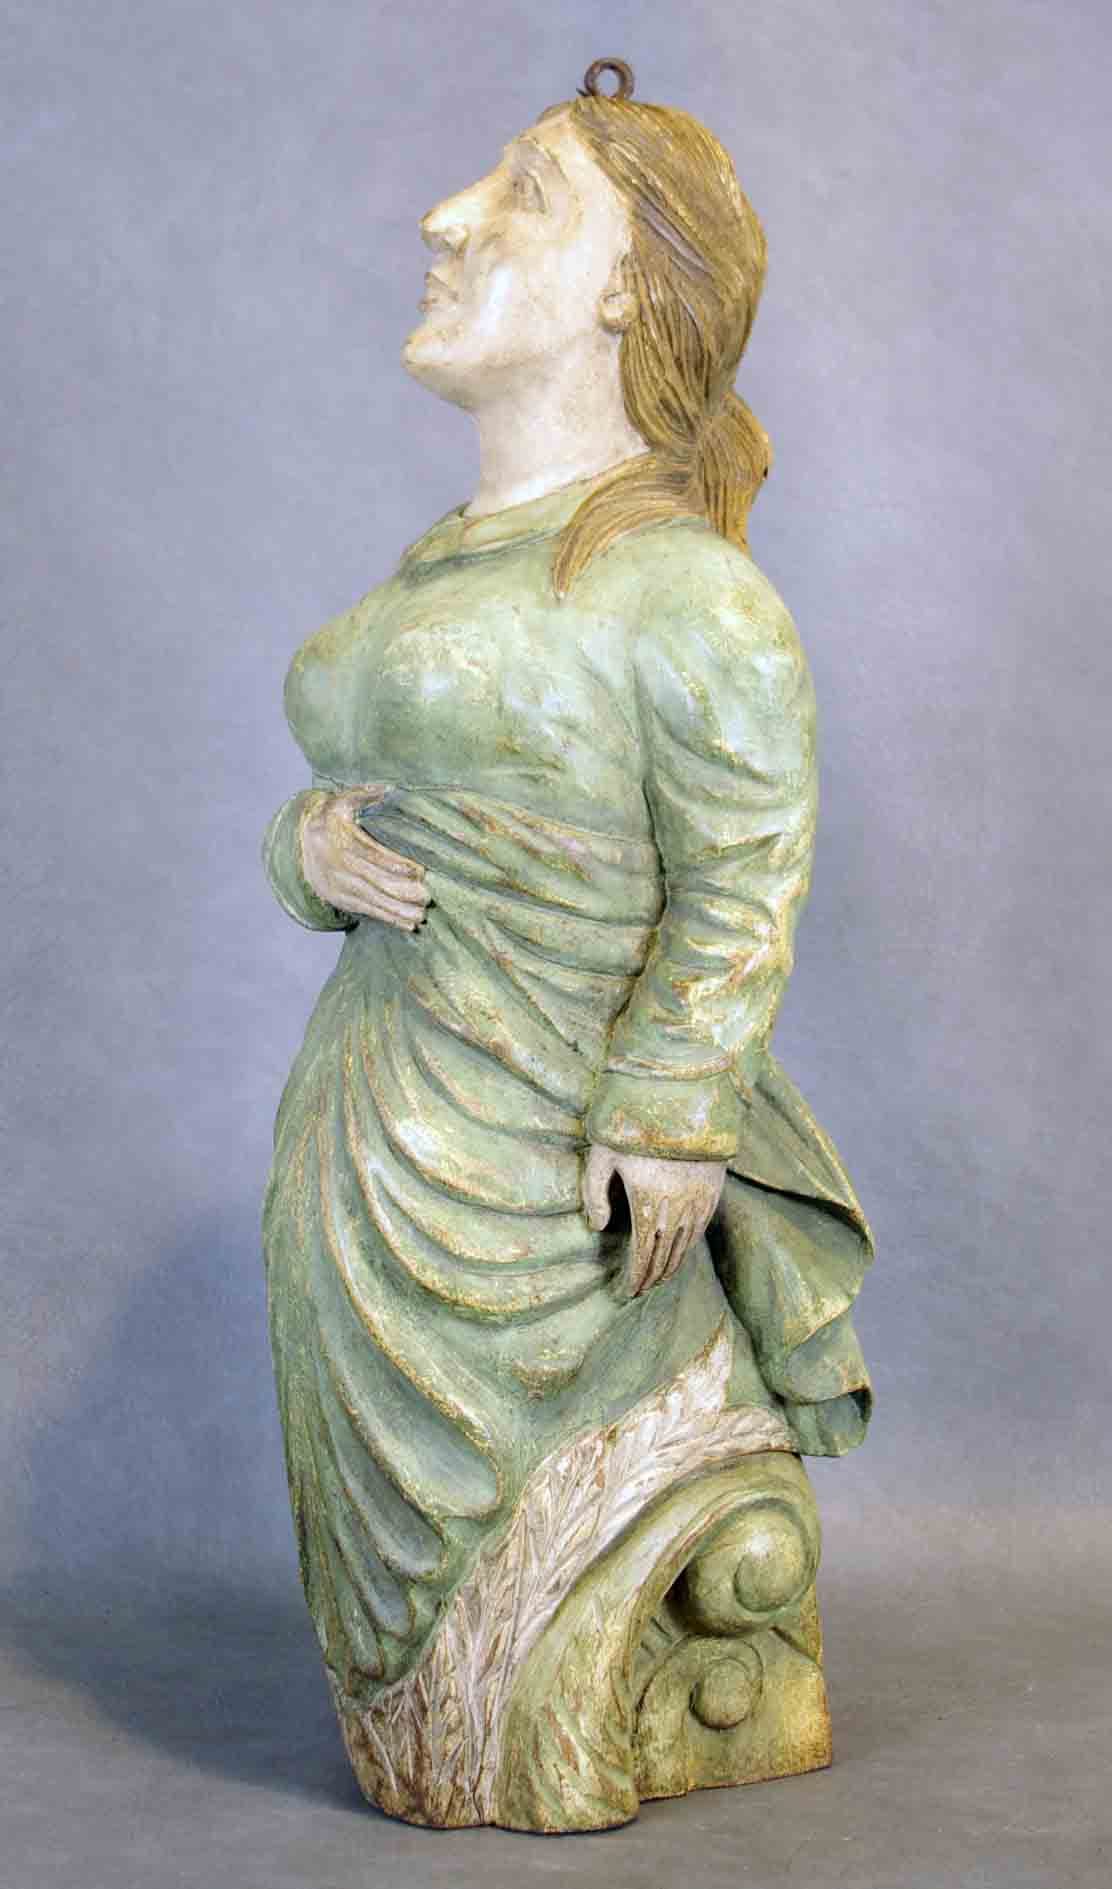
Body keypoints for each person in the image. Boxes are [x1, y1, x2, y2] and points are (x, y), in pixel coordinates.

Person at [262, 67, 872, 1729]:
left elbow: (745, 870)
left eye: (523, 191)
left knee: (550, 1561)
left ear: (626, 286)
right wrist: (307, 851)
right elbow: (364, 793)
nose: (445, 217)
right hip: (371, 1146)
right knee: (407, 1626)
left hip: (548, 1184)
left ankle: (574, 1712)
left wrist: (674, 1108)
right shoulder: (440, 557)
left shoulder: (684, 588)